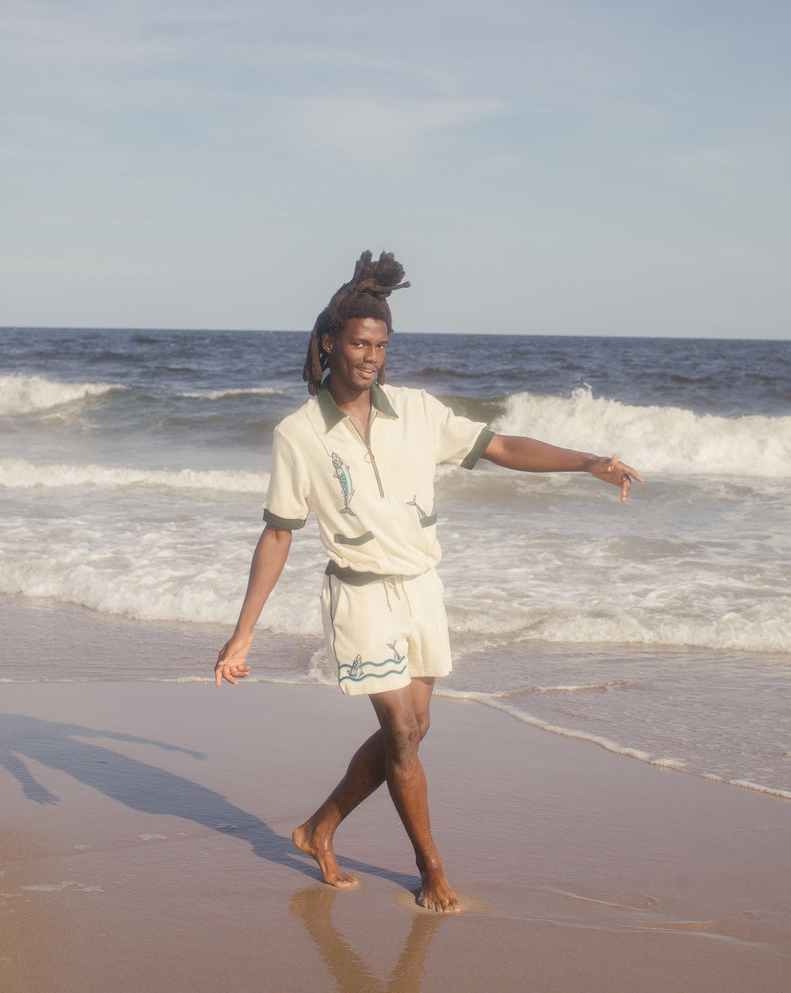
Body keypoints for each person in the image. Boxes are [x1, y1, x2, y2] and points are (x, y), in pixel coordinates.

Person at [214, 250, 643, 914]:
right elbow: (277, 533)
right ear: (330, 342)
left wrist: (586, 462)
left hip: (420, 588)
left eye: (380, 345)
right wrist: (241, 635)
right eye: (358, 343)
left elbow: (499, 446)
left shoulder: (415, 411)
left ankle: (318, 827)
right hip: (358, 595)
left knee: (412, 729)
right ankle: (431, 870)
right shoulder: (297, 434)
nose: (370, 357)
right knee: (403, 733)